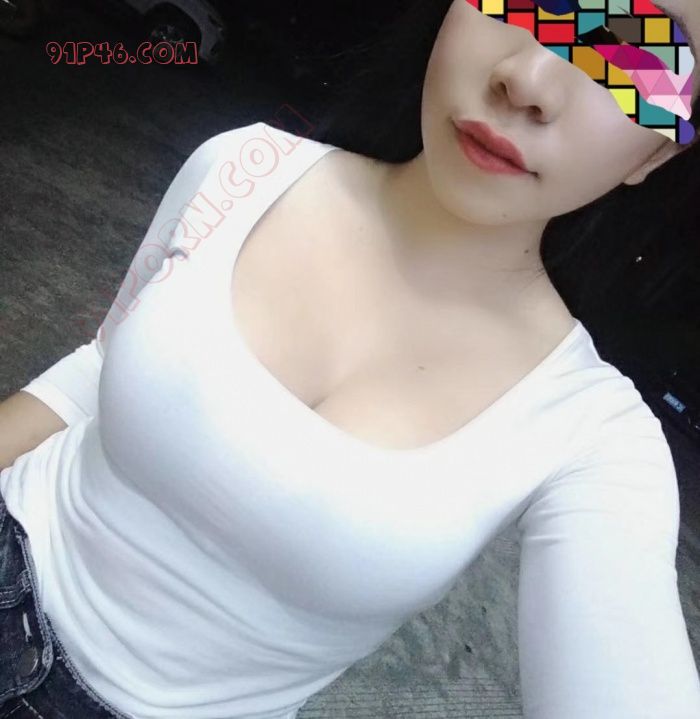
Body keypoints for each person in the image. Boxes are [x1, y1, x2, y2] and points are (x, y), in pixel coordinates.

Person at [1, 1, 699, 717]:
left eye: (633, 53)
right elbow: (93, 371)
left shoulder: (592, 435)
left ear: (657, 151)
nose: (527, 78)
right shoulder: (247, 167)